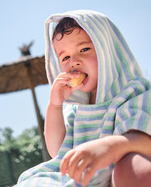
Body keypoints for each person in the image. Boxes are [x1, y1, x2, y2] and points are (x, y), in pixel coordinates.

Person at [14, 10, 151, 187]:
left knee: (134, 165)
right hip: (74, 179)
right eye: (65, 57)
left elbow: (144, 141)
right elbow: (56, 150)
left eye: (84, 49)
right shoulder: (76, 107)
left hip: (115, 176)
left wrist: (110, 147)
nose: (74, 62)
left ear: (107, 50)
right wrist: (55, 105)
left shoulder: (133, 92)